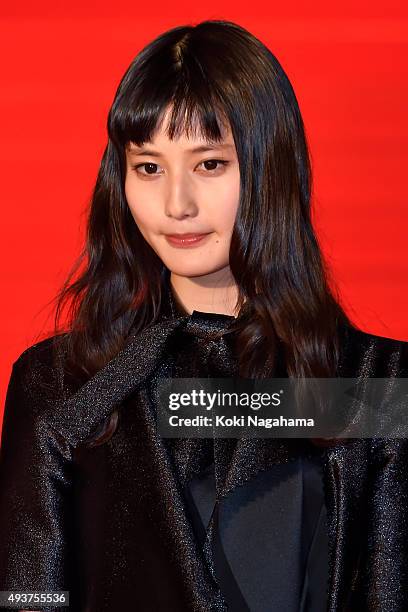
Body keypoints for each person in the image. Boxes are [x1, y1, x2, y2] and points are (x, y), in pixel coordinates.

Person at [0, 18, 407, 612]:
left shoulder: (379, 384)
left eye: (210, 164)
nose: (176, 204)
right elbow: (26, 596)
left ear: (271, 168)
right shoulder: (57, 383)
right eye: (148, 167)